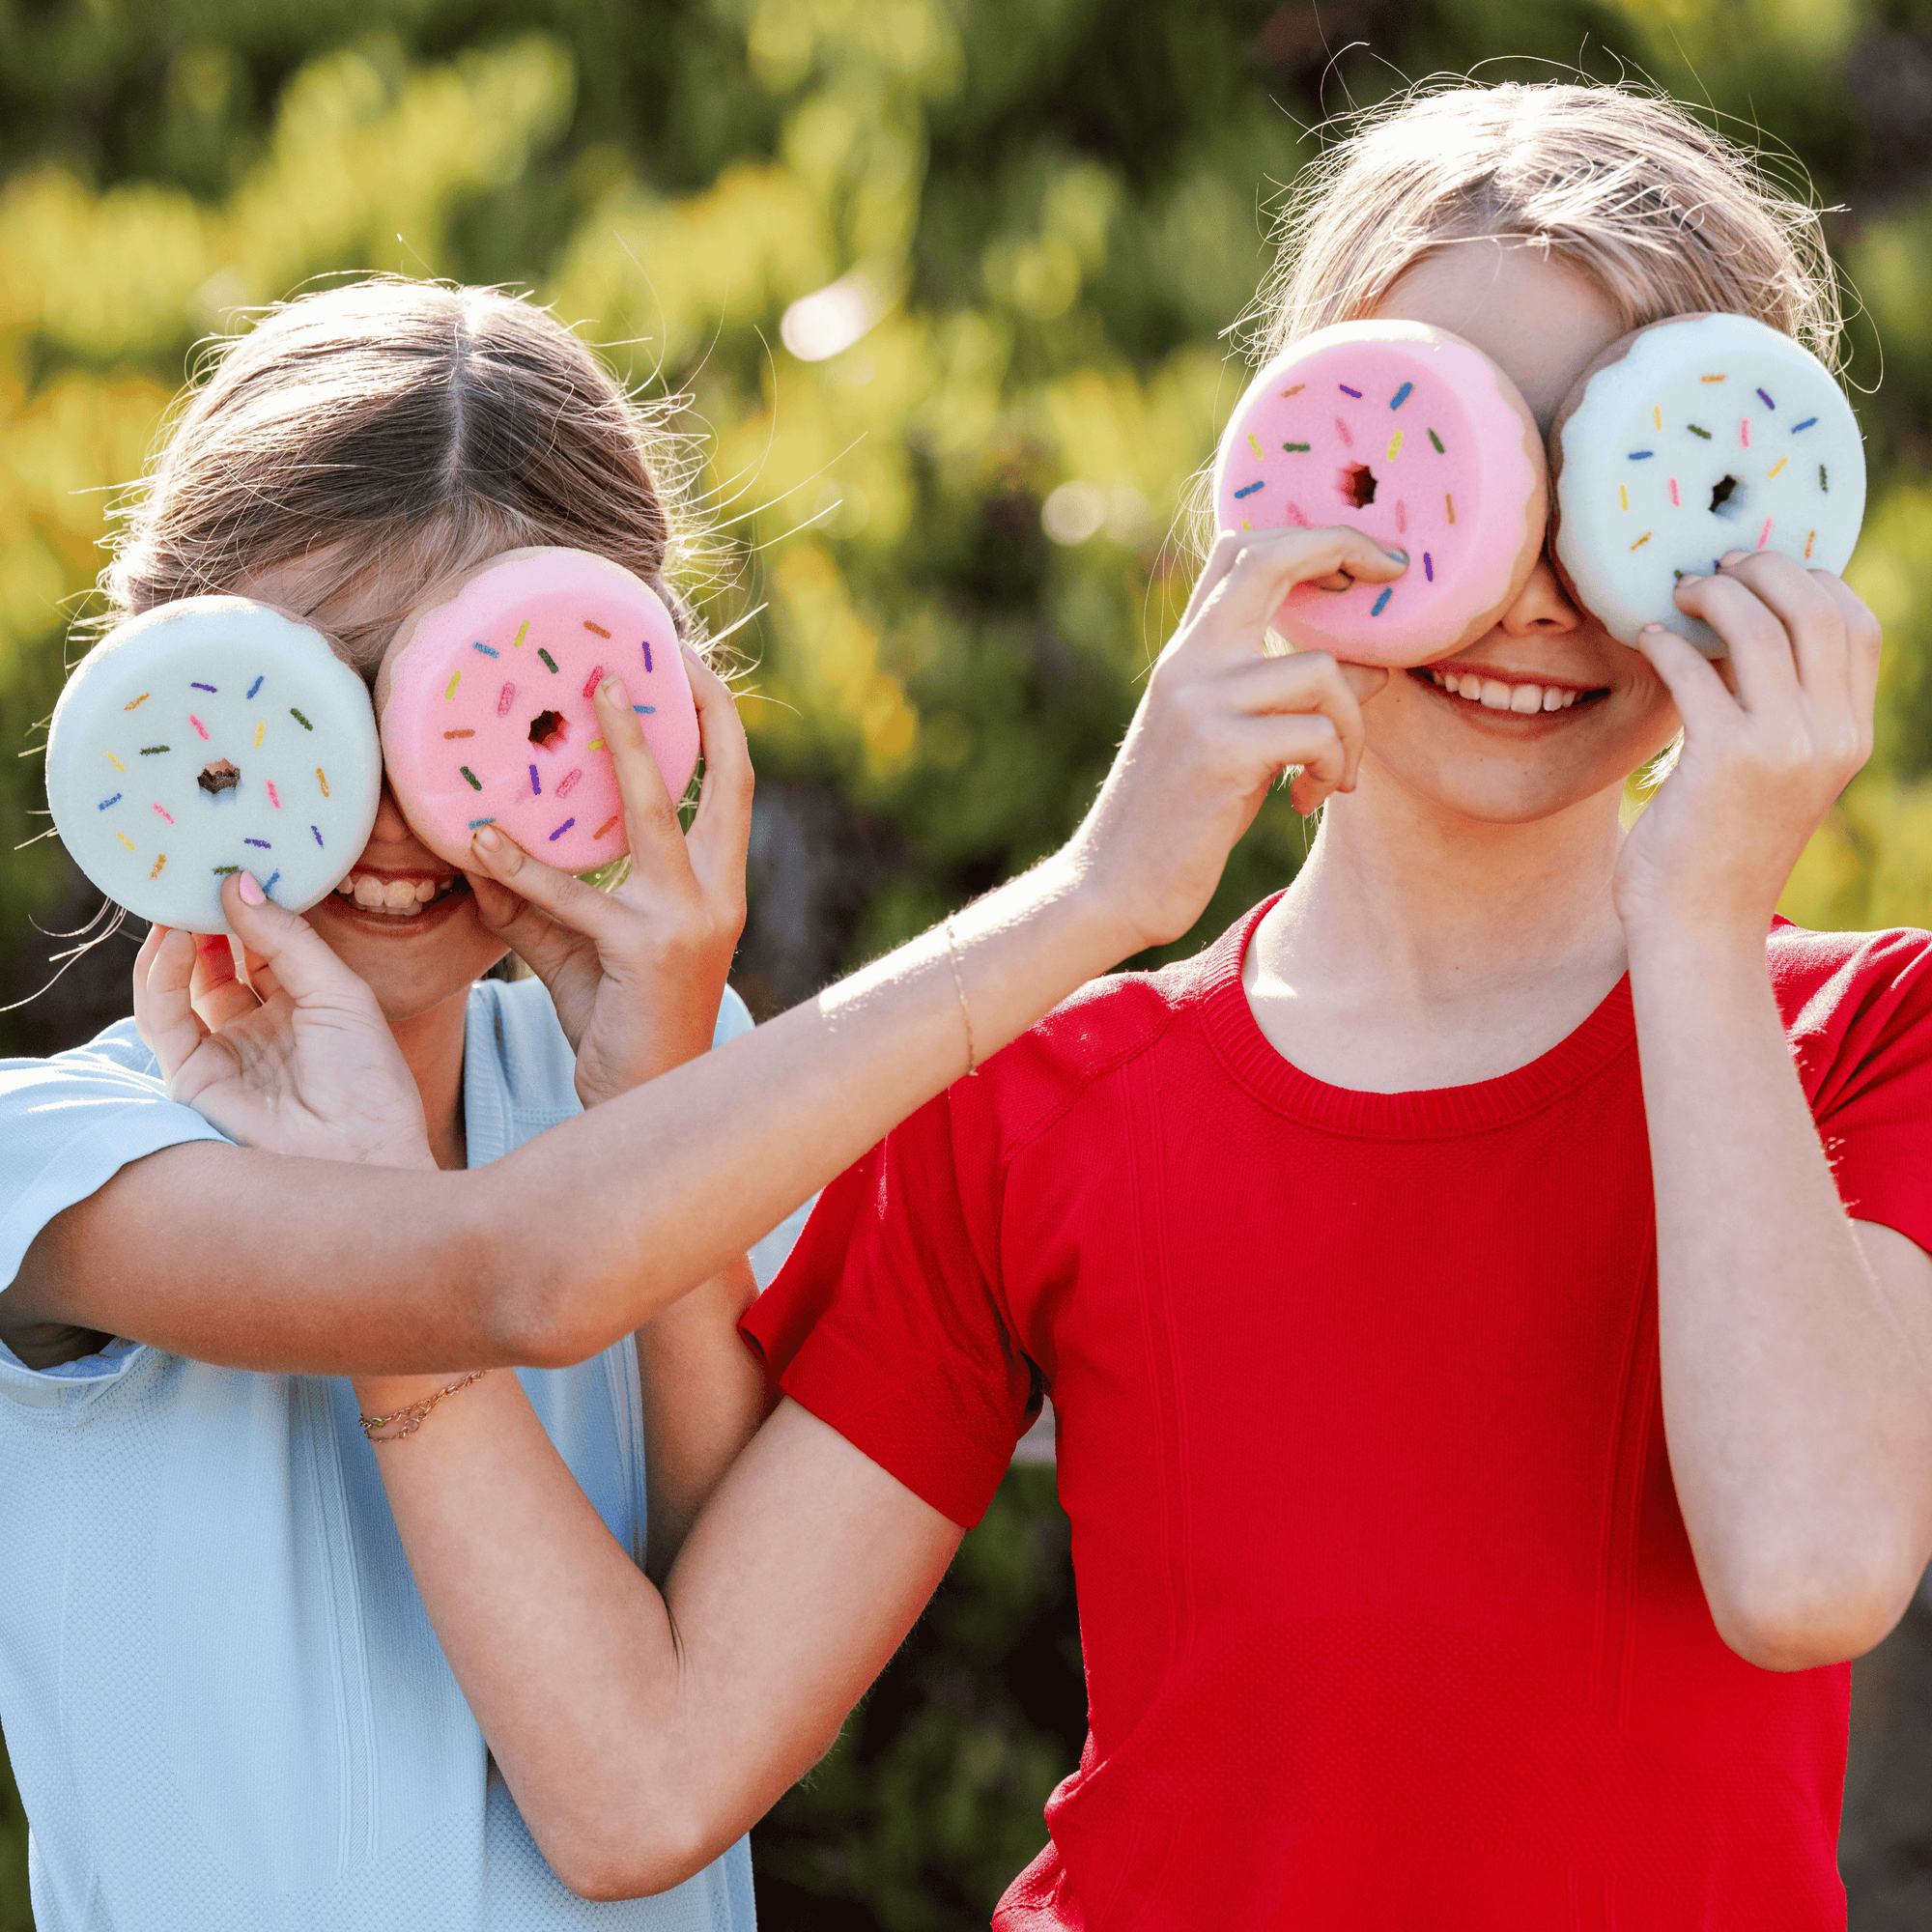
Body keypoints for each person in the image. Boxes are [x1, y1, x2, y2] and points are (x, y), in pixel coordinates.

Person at [318, 83, 1932, 1929]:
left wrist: (1703, 925)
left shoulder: (1865, 1039)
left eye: (1639, 473)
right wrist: (496, 1177)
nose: (1536, 585)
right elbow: (660, 1767)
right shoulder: (1046, 1106)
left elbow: (1809, 1571)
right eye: (1441, 463)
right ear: (1274, 480)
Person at [0, 279, 1378, 1927]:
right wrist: (1088, 896)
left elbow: (707, 1688)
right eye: (301, 699)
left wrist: (656, 1074)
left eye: (475, 711)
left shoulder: (640, 1104)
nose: (380, 806)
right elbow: (511, 1274)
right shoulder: (65, 1164)